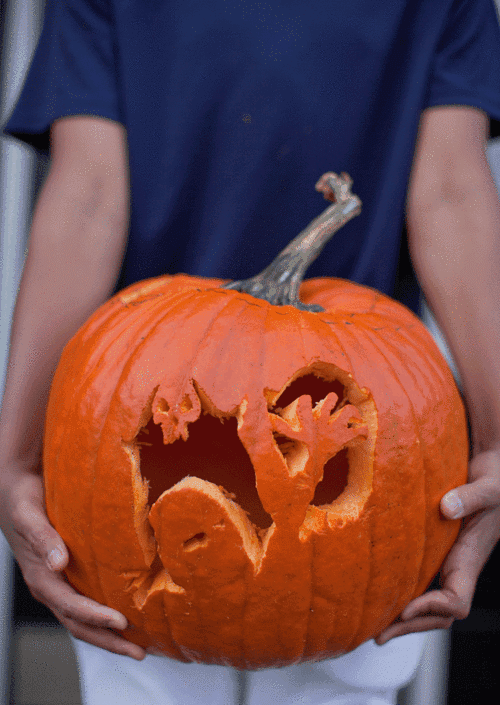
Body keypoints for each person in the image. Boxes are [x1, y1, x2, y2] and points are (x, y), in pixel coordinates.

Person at [1, 0, 500, 703]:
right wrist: (16, 454)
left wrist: (499, 434)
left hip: (368, 429)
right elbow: (86, 195)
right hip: (138, 440)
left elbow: (452, 189)